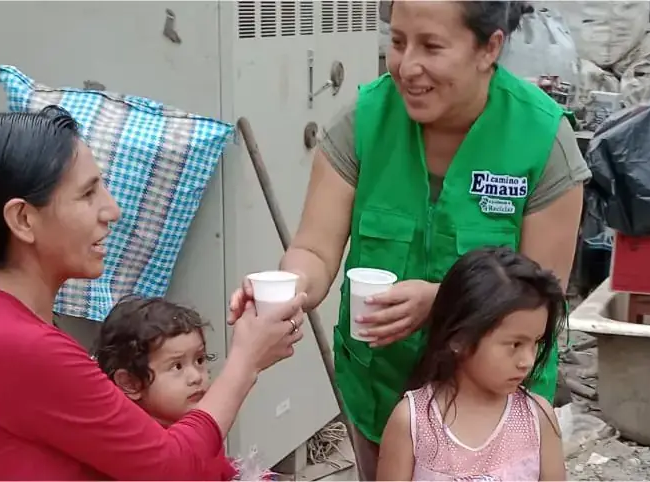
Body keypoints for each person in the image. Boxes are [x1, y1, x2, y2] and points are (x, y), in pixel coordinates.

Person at [229, 1, 590, 479]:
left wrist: (442, 302)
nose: (407, 66)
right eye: (398, 42)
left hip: (497, 404)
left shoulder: (541, 139)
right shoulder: (366, 121)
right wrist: (283, 290)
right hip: (383, 393)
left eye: (432, 47)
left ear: (490, 48)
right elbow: (314, 250)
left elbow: (544, 292)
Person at [0, 105, 307, 480]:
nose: (112, 210)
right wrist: (245, 360)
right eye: (88, 194)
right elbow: (171, 469)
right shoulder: (19, 345)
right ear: (23, 219)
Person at [376, 247, 567, 481]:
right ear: (459, 338)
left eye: (536, 342)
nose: (527, 360)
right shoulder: (412, 422)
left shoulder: (537, 419)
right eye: (515, 344)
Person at [94, 296, 237, 480]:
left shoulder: (201, 427)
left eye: (199, 360)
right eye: (177, 366)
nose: (196, 377)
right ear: (129, 382)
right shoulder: (140, 449)